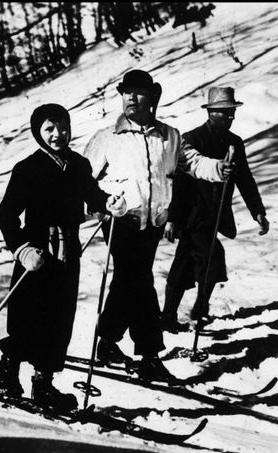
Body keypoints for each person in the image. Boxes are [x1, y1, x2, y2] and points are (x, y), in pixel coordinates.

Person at [84, 69, 226, 382]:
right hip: (120, 221)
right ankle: (149, 354)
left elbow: (192, 163)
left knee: (127, 282)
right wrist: (99, 204)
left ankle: (107, 342)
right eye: (126, 92)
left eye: (138, 92)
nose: (131, 98)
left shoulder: (170, 136)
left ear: (153, 97)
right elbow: (84, 182)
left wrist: (217, 167)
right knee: (140, 282)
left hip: (153, 224)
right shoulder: (107, 138)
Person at [0, 103, 127, 410]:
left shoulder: (78, 165)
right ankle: (6, 371)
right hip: (37, 256)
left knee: (59, 321)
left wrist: (110, 203)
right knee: (28, 318)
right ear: (38, 132)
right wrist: (22, 249)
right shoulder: (27, 169)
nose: (57, 134)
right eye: (49, 129)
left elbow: (93, 196)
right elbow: (6, 215)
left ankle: (43, 384)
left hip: (68, 254)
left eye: (62, 127)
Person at [162, 87, 269, 332]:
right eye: (224, 113)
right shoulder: (192, 139)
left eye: (232, 113)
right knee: (211, 258)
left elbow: (245, 179)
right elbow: (180, 182)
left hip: (216, 214)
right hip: (192, 214)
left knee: (186, 263)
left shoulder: (234, 143)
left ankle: (172, 315)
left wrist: (257, 211)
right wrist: (173, 218)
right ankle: (198, 310)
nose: (230, 118)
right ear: (211, 112)